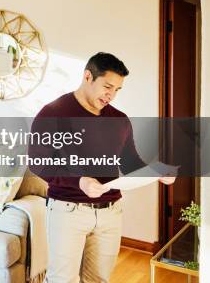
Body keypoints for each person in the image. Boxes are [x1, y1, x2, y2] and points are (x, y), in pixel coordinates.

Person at [28, 52, 175, 283]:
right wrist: (79, 181)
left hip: (110, 213)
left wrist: (155, 172)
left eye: (117, 89)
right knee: (62, 279)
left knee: (98, 279)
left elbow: (130, 162)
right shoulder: (53, 113)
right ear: (88, 76)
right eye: (107, 86)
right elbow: (38, 162)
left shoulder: (119, 119)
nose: (111, 95)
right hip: (67, 211)